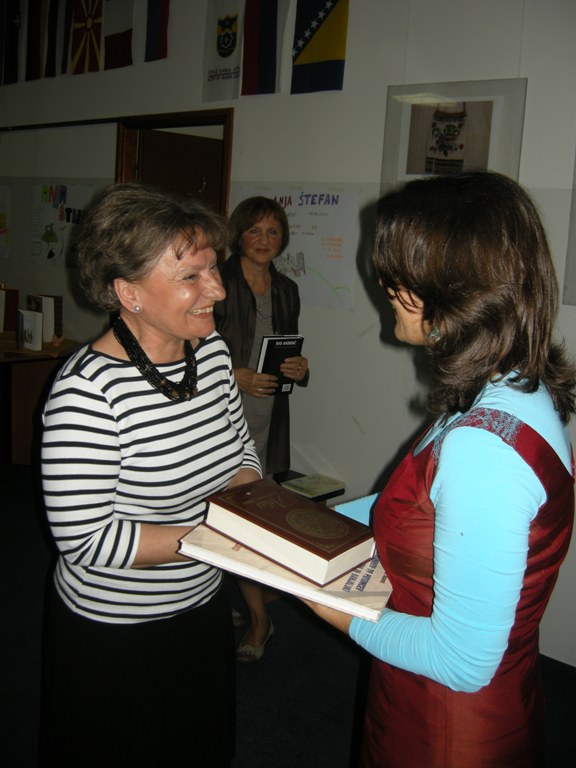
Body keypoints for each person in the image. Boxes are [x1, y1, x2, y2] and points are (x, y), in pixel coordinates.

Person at [305, 172, 575, 767]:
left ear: (454, 289)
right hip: (468, 700)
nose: (384, 286)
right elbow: (418, 509)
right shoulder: (509, 388)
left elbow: (460, 661)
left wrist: (329, 605)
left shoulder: (484, 448)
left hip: (445, 728)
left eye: (398, 273)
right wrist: (298, 524)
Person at [40, 183, 261, 767]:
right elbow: (86, 540)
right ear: (129, 293)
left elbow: (241, 451)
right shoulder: (87, 394)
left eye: (213, 269)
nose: (217, 288)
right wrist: (223, 539)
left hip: (202, 604)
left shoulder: (211, 353)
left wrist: (261, 517)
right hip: (116, 629)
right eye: (191, 276)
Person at [214, 196, 309, 662]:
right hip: (218, 416)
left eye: (273, 232)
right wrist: (234, 375)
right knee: (226, 517)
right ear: (239, 234)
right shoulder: (215, 282)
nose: (263, 240)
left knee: (247, 519)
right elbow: (186, 352)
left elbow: (288, 351)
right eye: (254, 230)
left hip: (269, 417)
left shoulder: (287, 289)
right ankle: (255, 613)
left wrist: (301, 368)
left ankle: (255, 614)